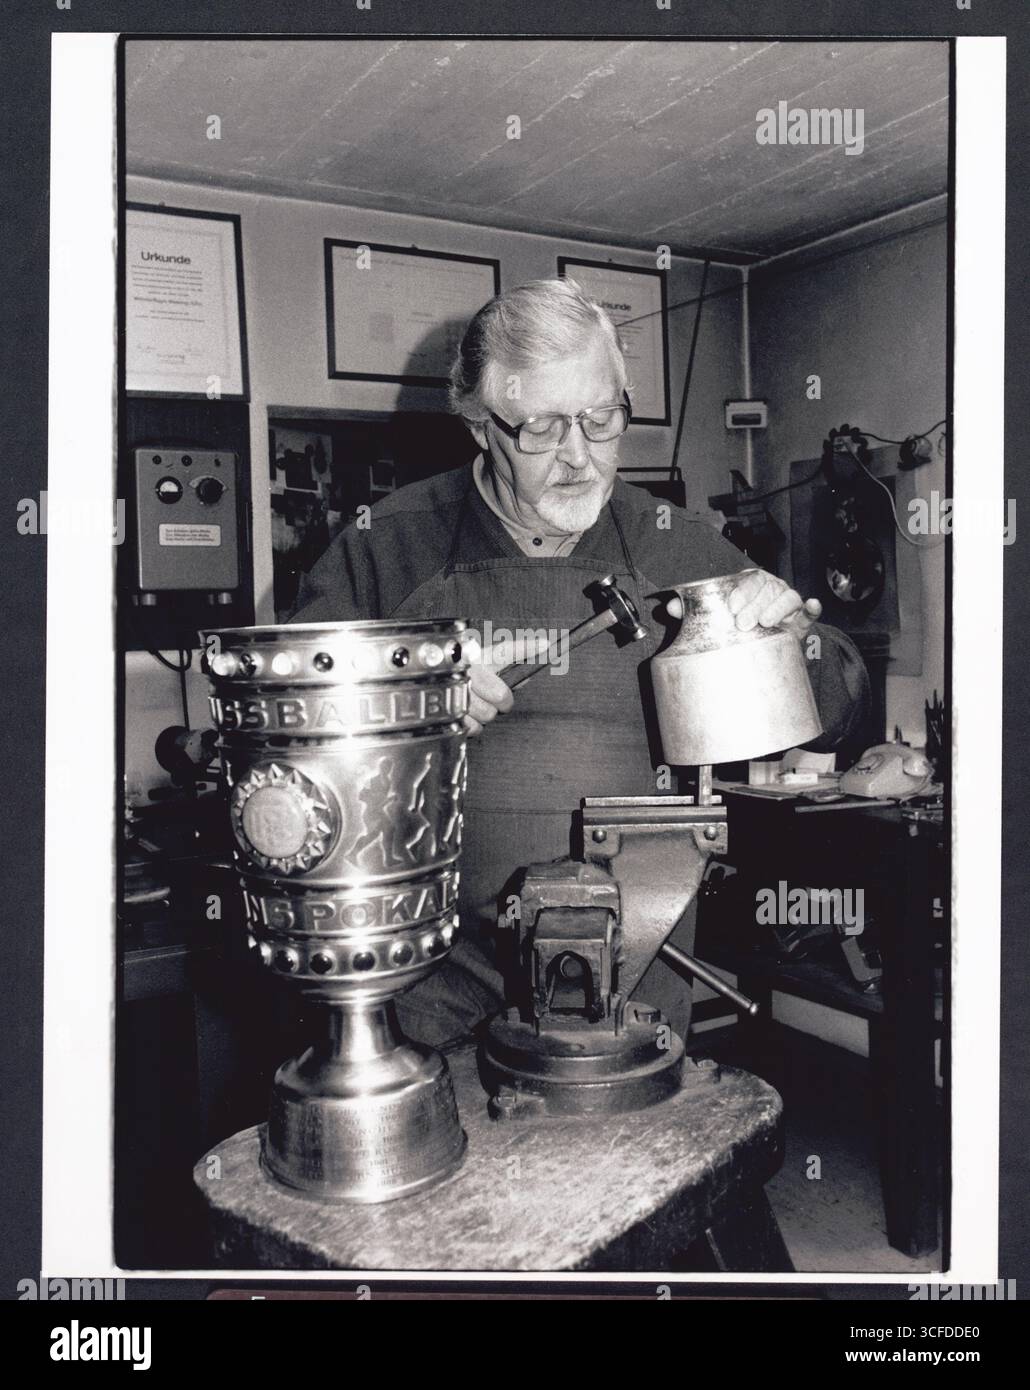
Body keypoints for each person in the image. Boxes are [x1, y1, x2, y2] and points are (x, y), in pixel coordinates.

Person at [292, 278, 870, 1044]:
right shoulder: (389, 546)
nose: (578, 458)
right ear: (479, 426)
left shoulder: (673, 542)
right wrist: (409, 700)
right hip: (434, 980)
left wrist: (801, 644)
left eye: (602, 420)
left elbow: (838, 719)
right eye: (539, 428)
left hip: (637, 972)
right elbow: (288, 749)